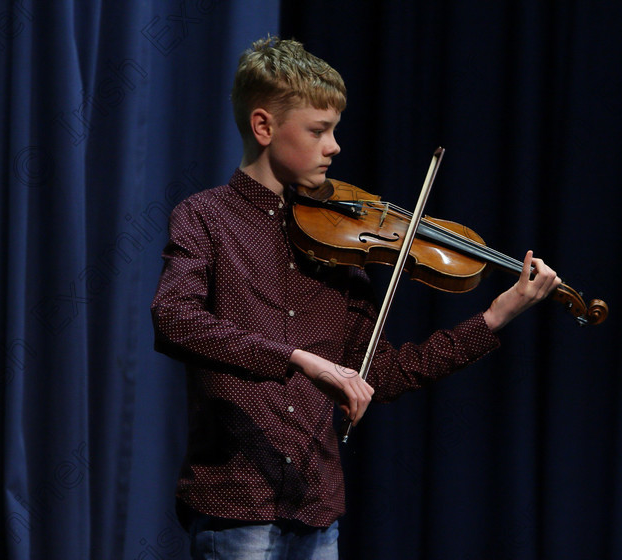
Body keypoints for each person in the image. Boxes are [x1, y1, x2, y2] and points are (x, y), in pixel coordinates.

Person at [151, 36, 561, 560]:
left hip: (317, 504)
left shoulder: (341, 242)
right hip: (237, 501)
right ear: (263, 126)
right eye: (319, 130)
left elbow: (383, 373)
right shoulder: (204, 218)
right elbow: (173, 319)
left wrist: (494, 318)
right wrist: (299, 360)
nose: (335, 147)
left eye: (335, 130)